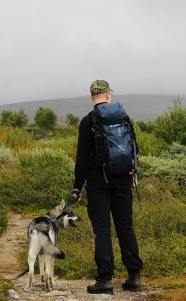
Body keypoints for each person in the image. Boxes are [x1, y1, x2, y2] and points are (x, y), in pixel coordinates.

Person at [71, 80, 143, 295]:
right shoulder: (123, 117)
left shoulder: (88, 121)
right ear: (108, 95)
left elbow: (82, 159)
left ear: (92, 97)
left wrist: (77, 187)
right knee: (125, 227)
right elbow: (133, 149)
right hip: (122, 179)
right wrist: (131, 173)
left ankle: (105, 280)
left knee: (102, 229)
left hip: (98, 182)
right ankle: (134, 277)